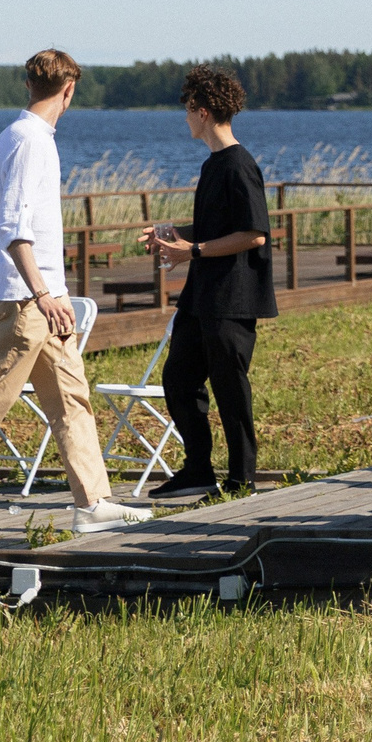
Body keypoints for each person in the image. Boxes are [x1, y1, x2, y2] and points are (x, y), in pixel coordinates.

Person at [0, 52, 151, 539]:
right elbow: (13, 228)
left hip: (43, 298)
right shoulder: (29, 141)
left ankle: (92, 502)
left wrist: (53, 293)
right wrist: (42, 294)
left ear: (28, 84)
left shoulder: (21, 138)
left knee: (71, 397)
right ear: (69, 90)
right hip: (28, 300)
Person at [137, 67, 275, 496]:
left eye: (188, 110)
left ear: (203, 112)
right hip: (201, 297)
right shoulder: (214, 163)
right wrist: (174, 236)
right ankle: (198, 469)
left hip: (232, 296)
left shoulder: (238, 165)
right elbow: (218, 226)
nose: (185, 119)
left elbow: (254, 233)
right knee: (179, 379)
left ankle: (241, 479)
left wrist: (192, 251)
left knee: (229, 387)